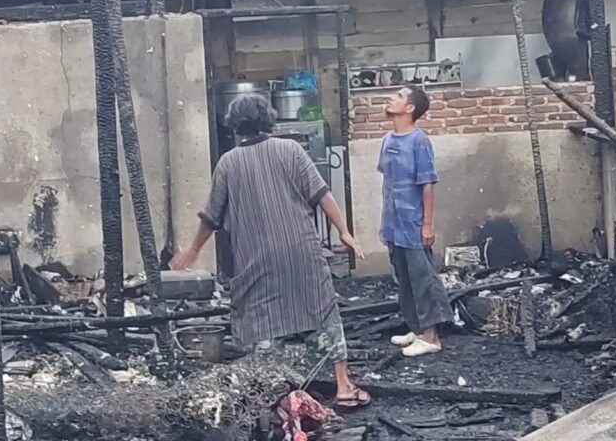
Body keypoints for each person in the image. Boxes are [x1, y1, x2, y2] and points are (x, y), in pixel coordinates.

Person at [171, 94, 371, 409]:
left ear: (235, 125)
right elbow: (322, 193)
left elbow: (210, 216)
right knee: (322, 312)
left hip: (256, 257)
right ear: (269, 120)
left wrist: (193, 251)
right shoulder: (290, 149)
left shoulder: (228, 162)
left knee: (263, 317)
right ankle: (344, 386)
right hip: (301, 250)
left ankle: (270, 394)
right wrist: (344, 231)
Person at [379, 84, 454, 357]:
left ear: (410, 108)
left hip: (413, 223)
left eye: (398, 96)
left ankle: (432, 337)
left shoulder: (419, 141)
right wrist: (384, 222)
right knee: (404, 279)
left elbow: (427, 185)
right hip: (393, 223)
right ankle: (417, 328)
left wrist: (427, 224)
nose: (391, 98)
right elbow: (388, 184)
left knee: (422, 279)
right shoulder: (388, 140)